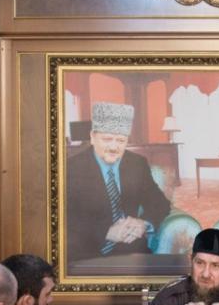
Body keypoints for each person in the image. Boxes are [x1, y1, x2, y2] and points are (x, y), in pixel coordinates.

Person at [65, 101, 170, 262]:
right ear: (92, 137)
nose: (114, 147)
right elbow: (65, 218)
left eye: (121, 141)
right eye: (107, 139)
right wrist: (105, 232)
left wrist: (143, 223)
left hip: (130, 247)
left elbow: (160, 202)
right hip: (85, 251)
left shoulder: (137, 164)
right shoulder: (71, 168)